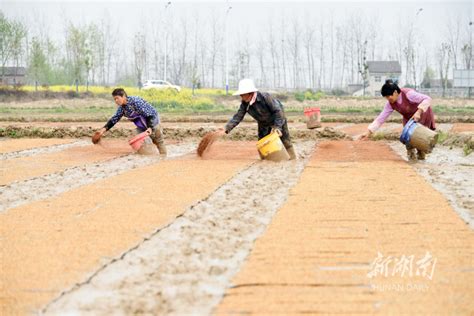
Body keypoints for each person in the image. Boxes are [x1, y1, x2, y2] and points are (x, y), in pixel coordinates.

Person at [218, 78, 296, 160]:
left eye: (242, 94)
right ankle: (267, 160)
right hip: (263, 124)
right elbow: (238, 116)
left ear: (250, 93)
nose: (241, 96)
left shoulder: (265, 97)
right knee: (262, 143)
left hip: (277, 120)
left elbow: (278, 111)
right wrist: (226, 128)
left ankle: (292, 159)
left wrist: (277, 127)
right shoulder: (245, 103)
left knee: (285, 141)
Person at [360, 80, 435, 161]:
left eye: (389, 96)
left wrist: (418, 112)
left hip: (422, 114)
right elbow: (381, 118)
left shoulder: (409, 94)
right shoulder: (390, 104)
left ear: (395, 92)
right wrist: (368, 132)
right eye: (386, 97)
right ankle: (412, 160)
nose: (388, 99)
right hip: (409, 119)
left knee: (420, 141)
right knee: (408, 141)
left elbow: (427, 99)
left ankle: (421, 159)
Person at [94, 88, 167, 156]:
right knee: (137, 137)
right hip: (142, 127)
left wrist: (150, 127)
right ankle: (149, 156)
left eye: (117, 98)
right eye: (114, 99)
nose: (116, 101)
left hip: (153, 123)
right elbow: (114, 119)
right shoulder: (122, 109)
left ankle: (163, 159)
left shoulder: (136, 101)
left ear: (123, 96)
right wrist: (103, 130)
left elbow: (150, 114)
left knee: (159, 142)